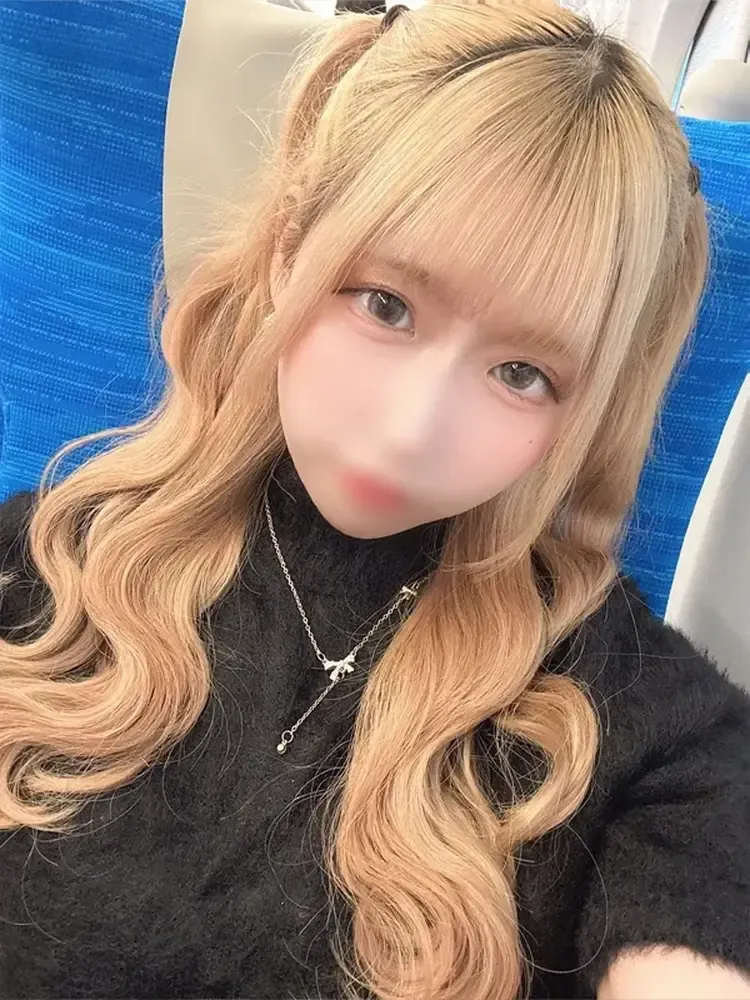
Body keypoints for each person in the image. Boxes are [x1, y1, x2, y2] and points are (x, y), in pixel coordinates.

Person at [0, 2, 748, 998]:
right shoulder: (41, 570)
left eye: (522, 373)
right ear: (289, 252)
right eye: (385, 305)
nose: (409, 430)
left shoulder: (652, 734)